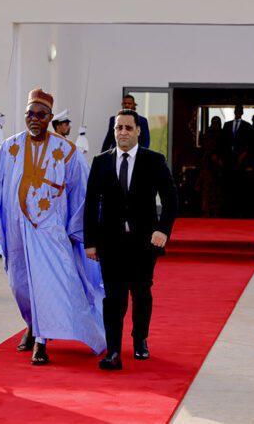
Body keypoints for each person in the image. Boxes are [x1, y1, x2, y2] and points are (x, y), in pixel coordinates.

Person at [0, 88, 105, 365]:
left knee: (47, 285)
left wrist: (77, 229)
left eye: (41, 115)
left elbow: (82, 191)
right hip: (16, 230)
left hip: (50, 231)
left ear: (50, 117)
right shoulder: (10, 147)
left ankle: (41, 340)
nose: (34, 119)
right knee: (20, 285)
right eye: (30, 114)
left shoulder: (67, 151)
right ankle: (32, 324)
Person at [84, 109, 177, 370]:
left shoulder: (154, 160)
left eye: (127, 127)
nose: (122, 132)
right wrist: (90, 242)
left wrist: (162, 230)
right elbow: (91, 204)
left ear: (138, 131)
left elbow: (171, 199)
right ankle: (113, 350)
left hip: (144, 242)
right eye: (118, 128)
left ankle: (140, 339)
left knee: (141, 293)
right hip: (110, 243)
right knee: (113, 298)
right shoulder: (101, 162)